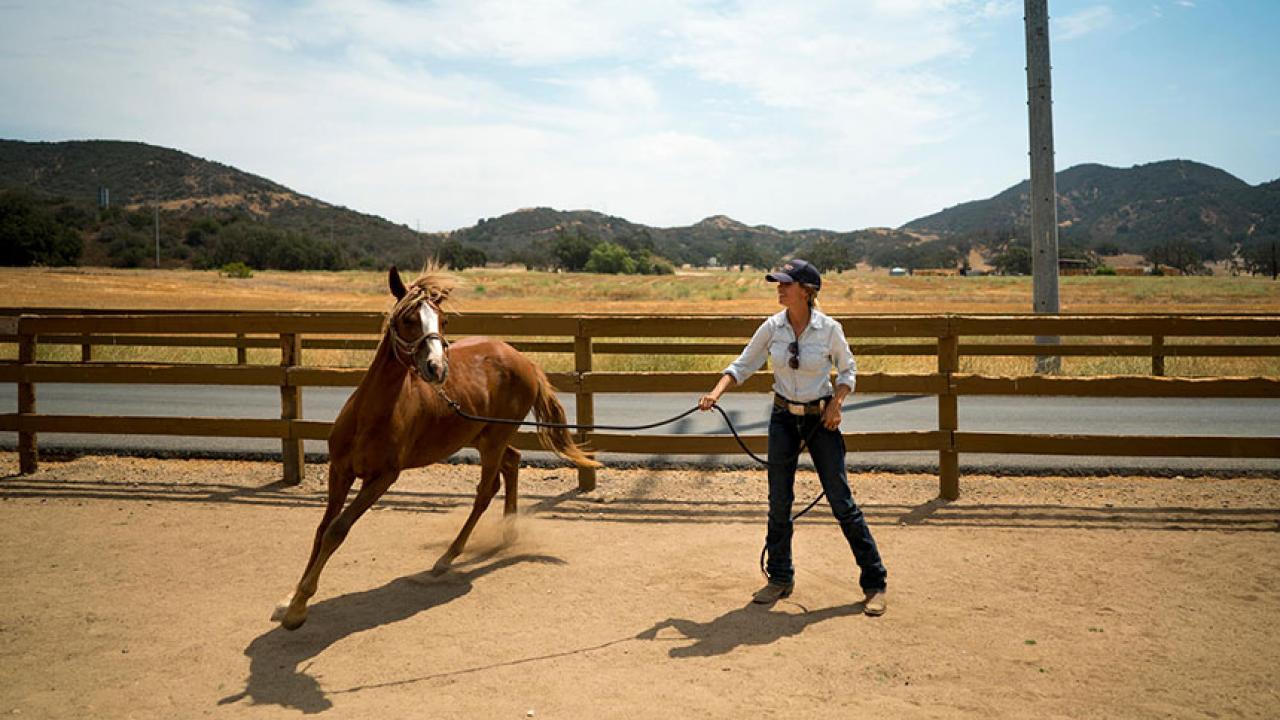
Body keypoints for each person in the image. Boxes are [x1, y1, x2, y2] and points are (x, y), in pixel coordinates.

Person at [698, 258, 888, 616]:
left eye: (786, 283)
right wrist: (716, 393)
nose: (779, 288)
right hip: (783, 417)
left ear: (807, 290)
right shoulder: (771, 327)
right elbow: (742, 364)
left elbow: (848, 370)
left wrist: (837, 402)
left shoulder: (830, 329)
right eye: (778, 283)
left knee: (842, 502)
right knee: (778, 501)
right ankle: (780, 577)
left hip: (820, 420)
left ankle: (874, 582)